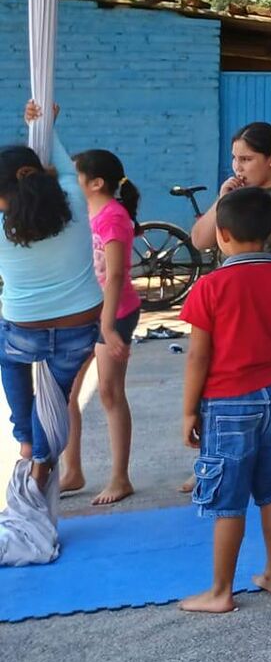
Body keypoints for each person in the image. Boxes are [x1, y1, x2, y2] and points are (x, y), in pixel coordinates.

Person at [177, 185, 271, 613]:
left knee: (227, 502)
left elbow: (198, 355)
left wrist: (187, 410)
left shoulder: (210, 288)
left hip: (224, 406)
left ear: (222, 234)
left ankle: (220, 591)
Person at [1, 102, 103, 490]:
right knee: (56, 396)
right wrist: (45, 126)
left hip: (23, 326)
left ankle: (25, 440)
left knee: (11, 363)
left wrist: (42, 124)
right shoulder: (76, 203)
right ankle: (42, 461)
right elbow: (59, 160)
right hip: (79, 325)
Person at [69, 148, 143, 505]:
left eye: (76, 175)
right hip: (87, 313)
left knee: (109, 393)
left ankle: (120, 477)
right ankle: (72, 470)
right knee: (68, 393)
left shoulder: (112, 217)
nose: (70, 180)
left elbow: (115, 275)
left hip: (115, 313)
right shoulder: (84, 211)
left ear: (96, 182)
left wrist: (109, 326)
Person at [190, 122, 271, 262]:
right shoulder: (235, 194)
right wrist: (222, 199)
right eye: (234, 158)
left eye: (246, 159)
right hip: (230, 280)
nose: (237, 167)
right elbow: (200, 242)